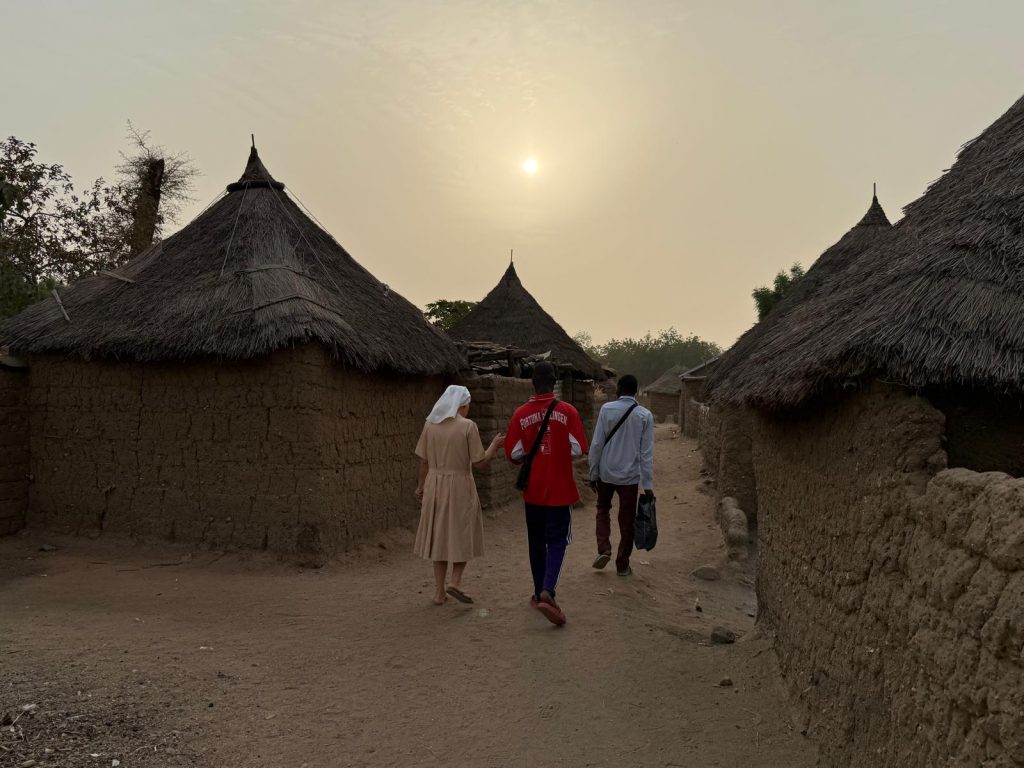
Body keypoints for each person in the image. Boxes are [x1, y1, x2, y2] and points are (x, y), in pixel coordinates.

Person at [505, 362, 589, 626]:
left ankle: (537, 591)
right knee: (557, 541)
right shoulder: (568, 411)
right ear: (554, 383)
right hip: (560, 489)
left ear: (532, 383)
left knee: (536, 541)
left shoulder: (520, 414)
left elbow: (514, 453)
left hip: (533, 490)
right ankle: (548, 590)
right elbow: (578, 448)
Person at [414, 385, 504, 606]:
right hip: (460, 486)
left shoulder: (430, 425)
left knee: (439, 537)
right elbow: (479, 462)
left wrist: (421, 486)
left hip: (435, 485)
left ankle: (438, 592)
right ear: (463, 405)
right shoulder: (467, 427)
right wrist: (494, 446)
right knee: (463, 533)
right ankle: (454, 581)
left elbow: (424, 461)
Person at [587, 374, 654, 577]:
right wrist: (647, 484)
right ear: (635, 391)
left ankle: (604, 548)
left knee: (602, 509)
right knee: (627, 520)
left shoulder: (606, 409)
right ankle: (623, 565)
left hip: (606, 472)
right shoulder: (645, 415)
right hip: (630, 477)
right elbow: (646, 453)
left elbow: (597, 444)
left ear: (619, 389)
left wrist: (593, 472)